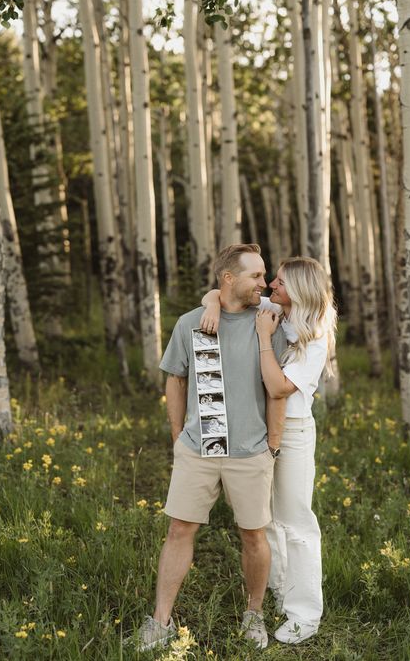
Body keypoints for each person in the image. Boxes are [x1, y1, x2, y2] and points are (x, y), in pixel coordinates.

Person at [130, 244, 287, 652]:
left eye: (266, 275)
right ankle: (160, 621)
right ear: (228, 279)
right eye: (256, 276)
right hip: (199, 448)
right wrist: (177, 434)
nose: (264, 283)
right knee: (179, 529)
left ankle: (254, 614)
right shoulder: (190, 324)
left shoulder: (270, 321)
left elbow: (276, 391)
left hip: (251, 451)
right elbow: (175, 378)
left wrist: (271, 444)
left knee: (253, 535)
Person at [200, 256, 337, 645]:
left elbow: (278, 388)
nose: (270, 287)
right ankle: (279, 589)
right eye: (271, 281)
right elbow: (222, 292)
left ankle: (304, 613)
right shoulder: (277, 309)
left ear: (298, 289)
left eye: (278, 282)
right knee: (268, 518)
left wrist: (262, 338)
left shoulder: (315, 333)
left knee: (296, 520)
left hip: (292, 431)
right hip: (261, 427)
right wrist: (212, 304)